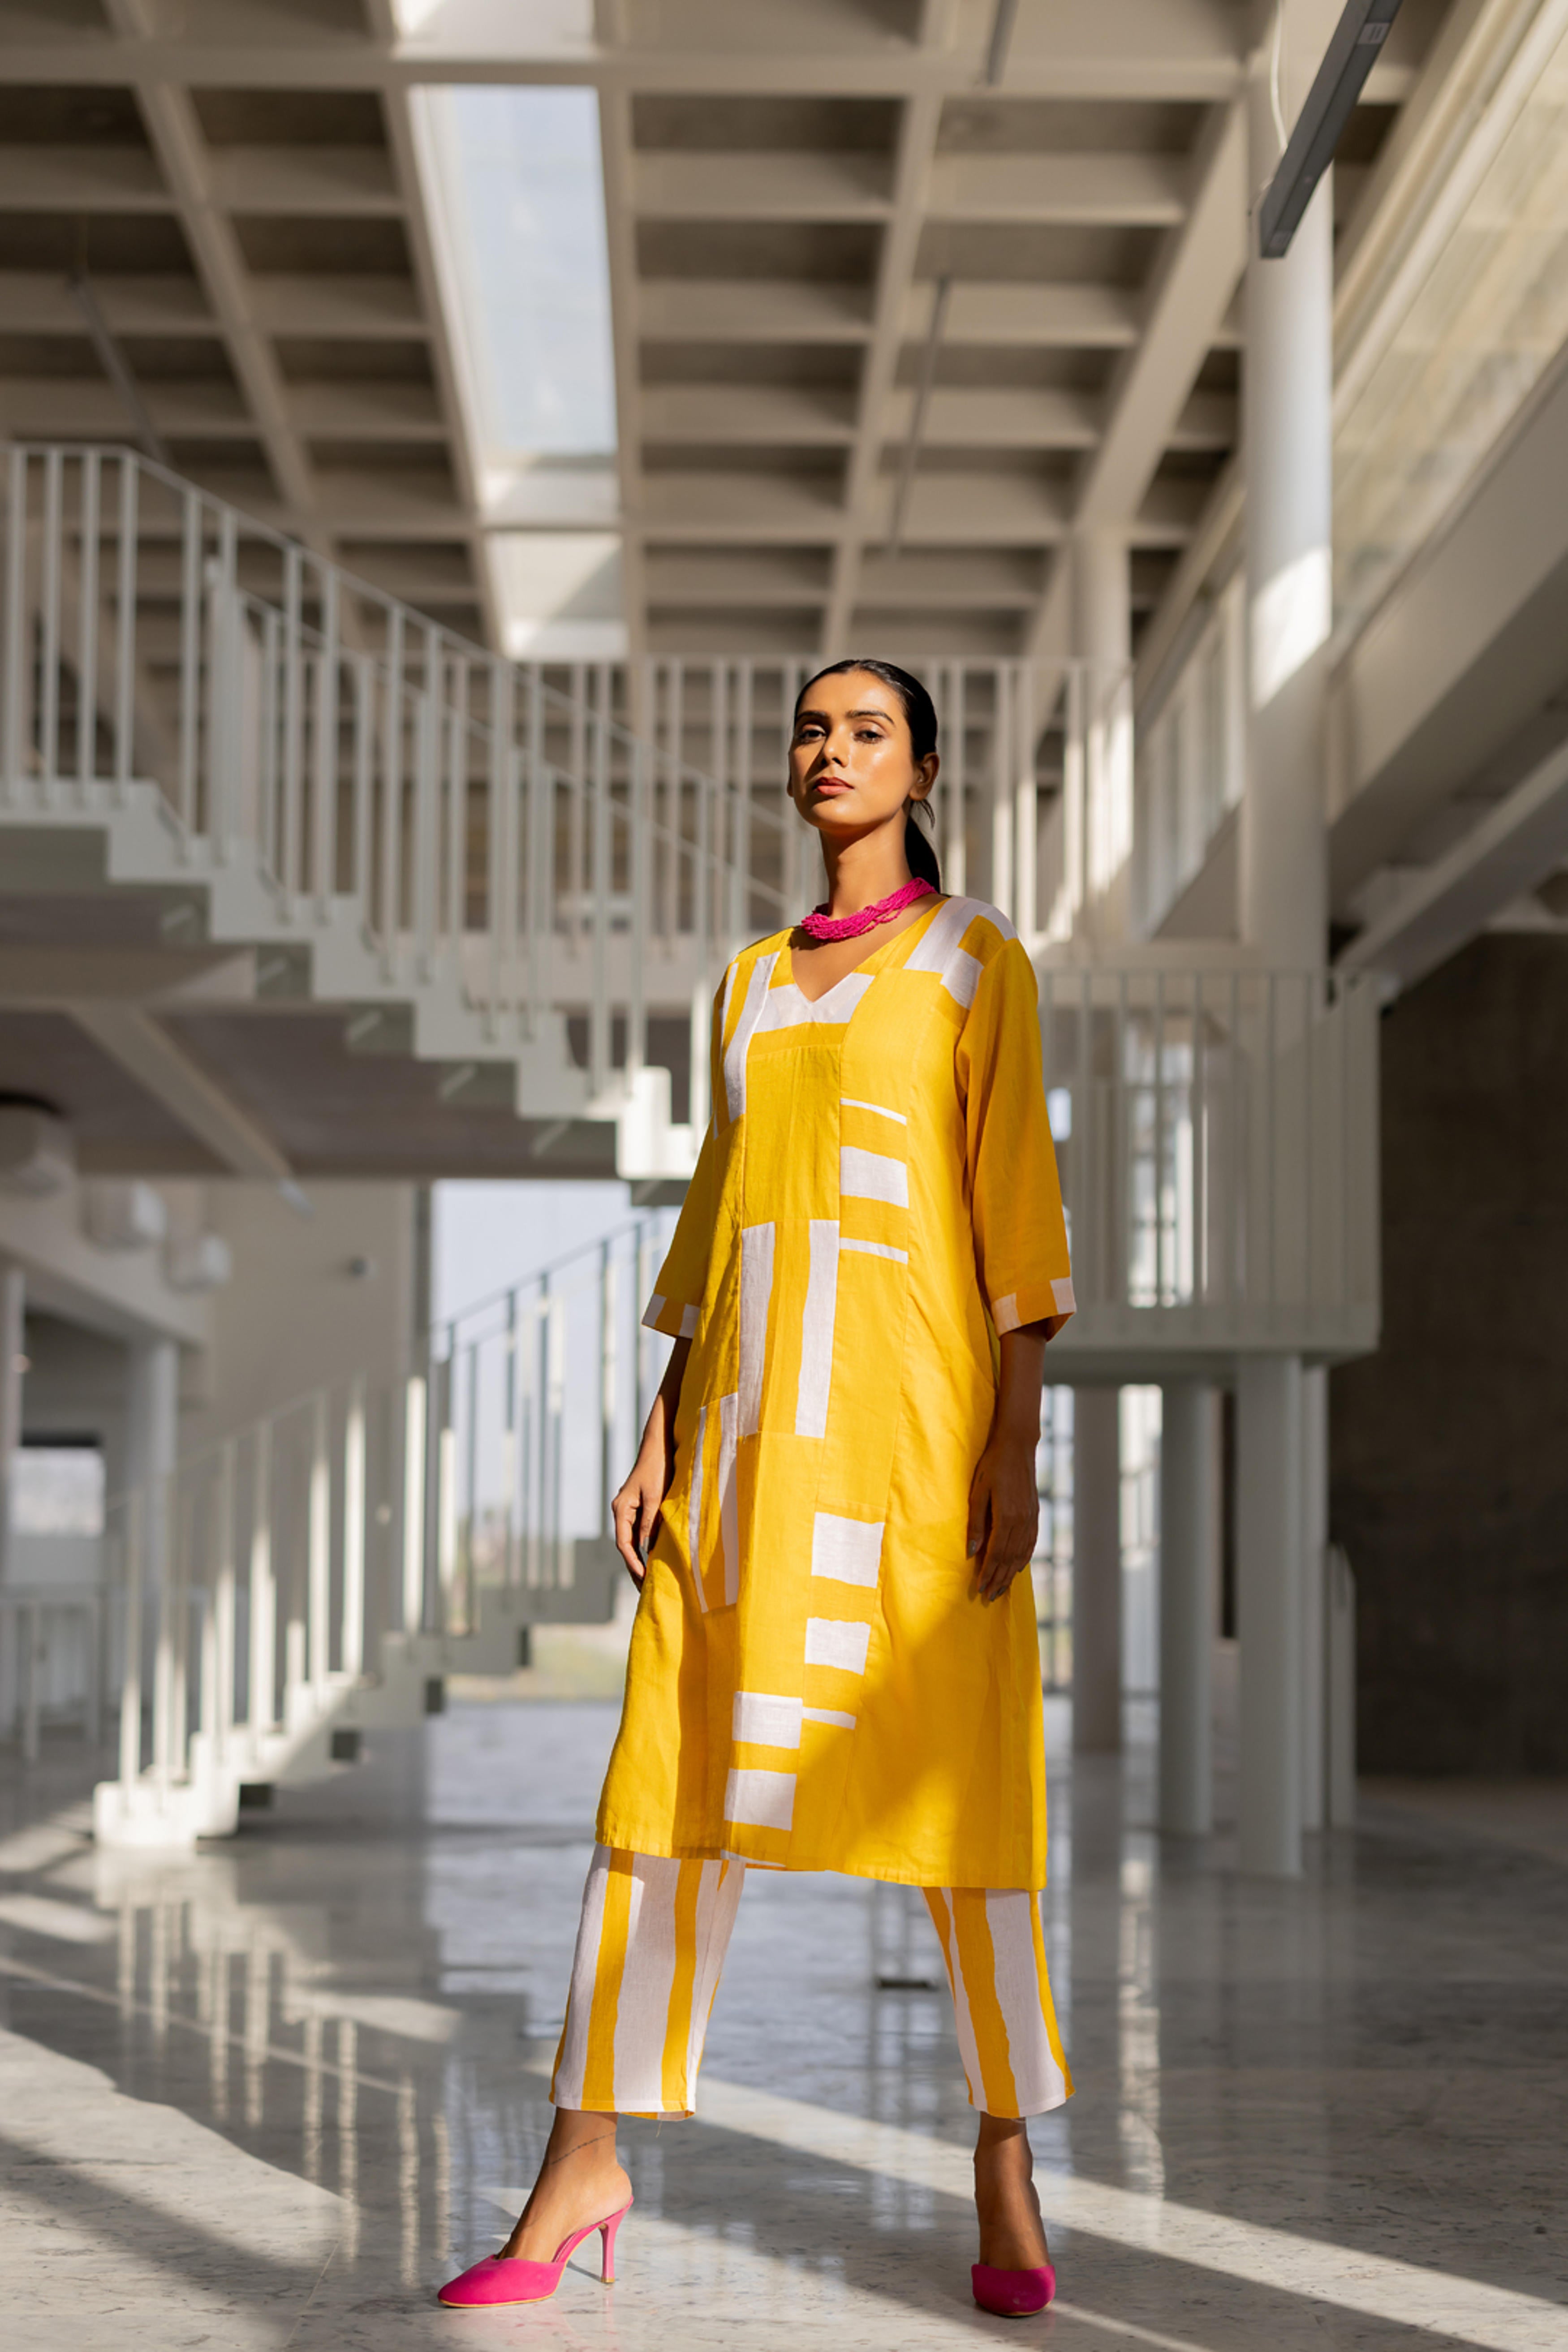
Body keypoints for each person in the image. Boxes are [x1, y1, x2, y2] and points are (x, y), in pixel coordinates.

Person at [439, 659, 1077, 2321]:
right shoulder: (742, 983)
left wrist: (1013, 1441)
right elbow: (717, 1213)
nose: (829, 750)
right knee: (661, 1779)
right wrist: (661, 1422)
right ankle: (583, 2155)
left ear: (922, 770)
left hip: (912, 1434)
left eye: (866, 730)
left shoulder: (975, 959)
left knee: (962, 1783)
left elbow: (1015, 1205)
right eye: (810, 728)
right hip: (737, 1436)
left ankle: (1004, 2149)